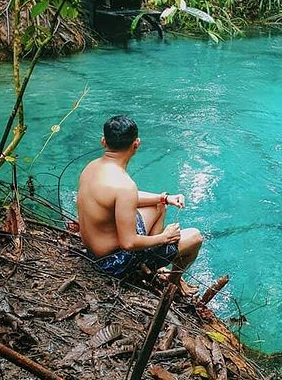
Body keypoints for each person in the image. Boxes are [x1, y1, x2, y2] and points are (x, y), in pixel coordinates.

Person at [77, 114, 203, 284]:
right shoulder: (125, 185)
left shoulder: (91, 167)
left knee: (159, 206)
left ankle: (154, 266)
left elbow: (118, 199)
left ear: (103, 142)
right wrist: (166, 237)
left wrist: (164, 198)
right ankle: (171, 282)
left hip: (95, 252)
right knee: (195, 237)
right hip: (113, 264)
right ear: (136, 144)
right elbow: (128, 242)